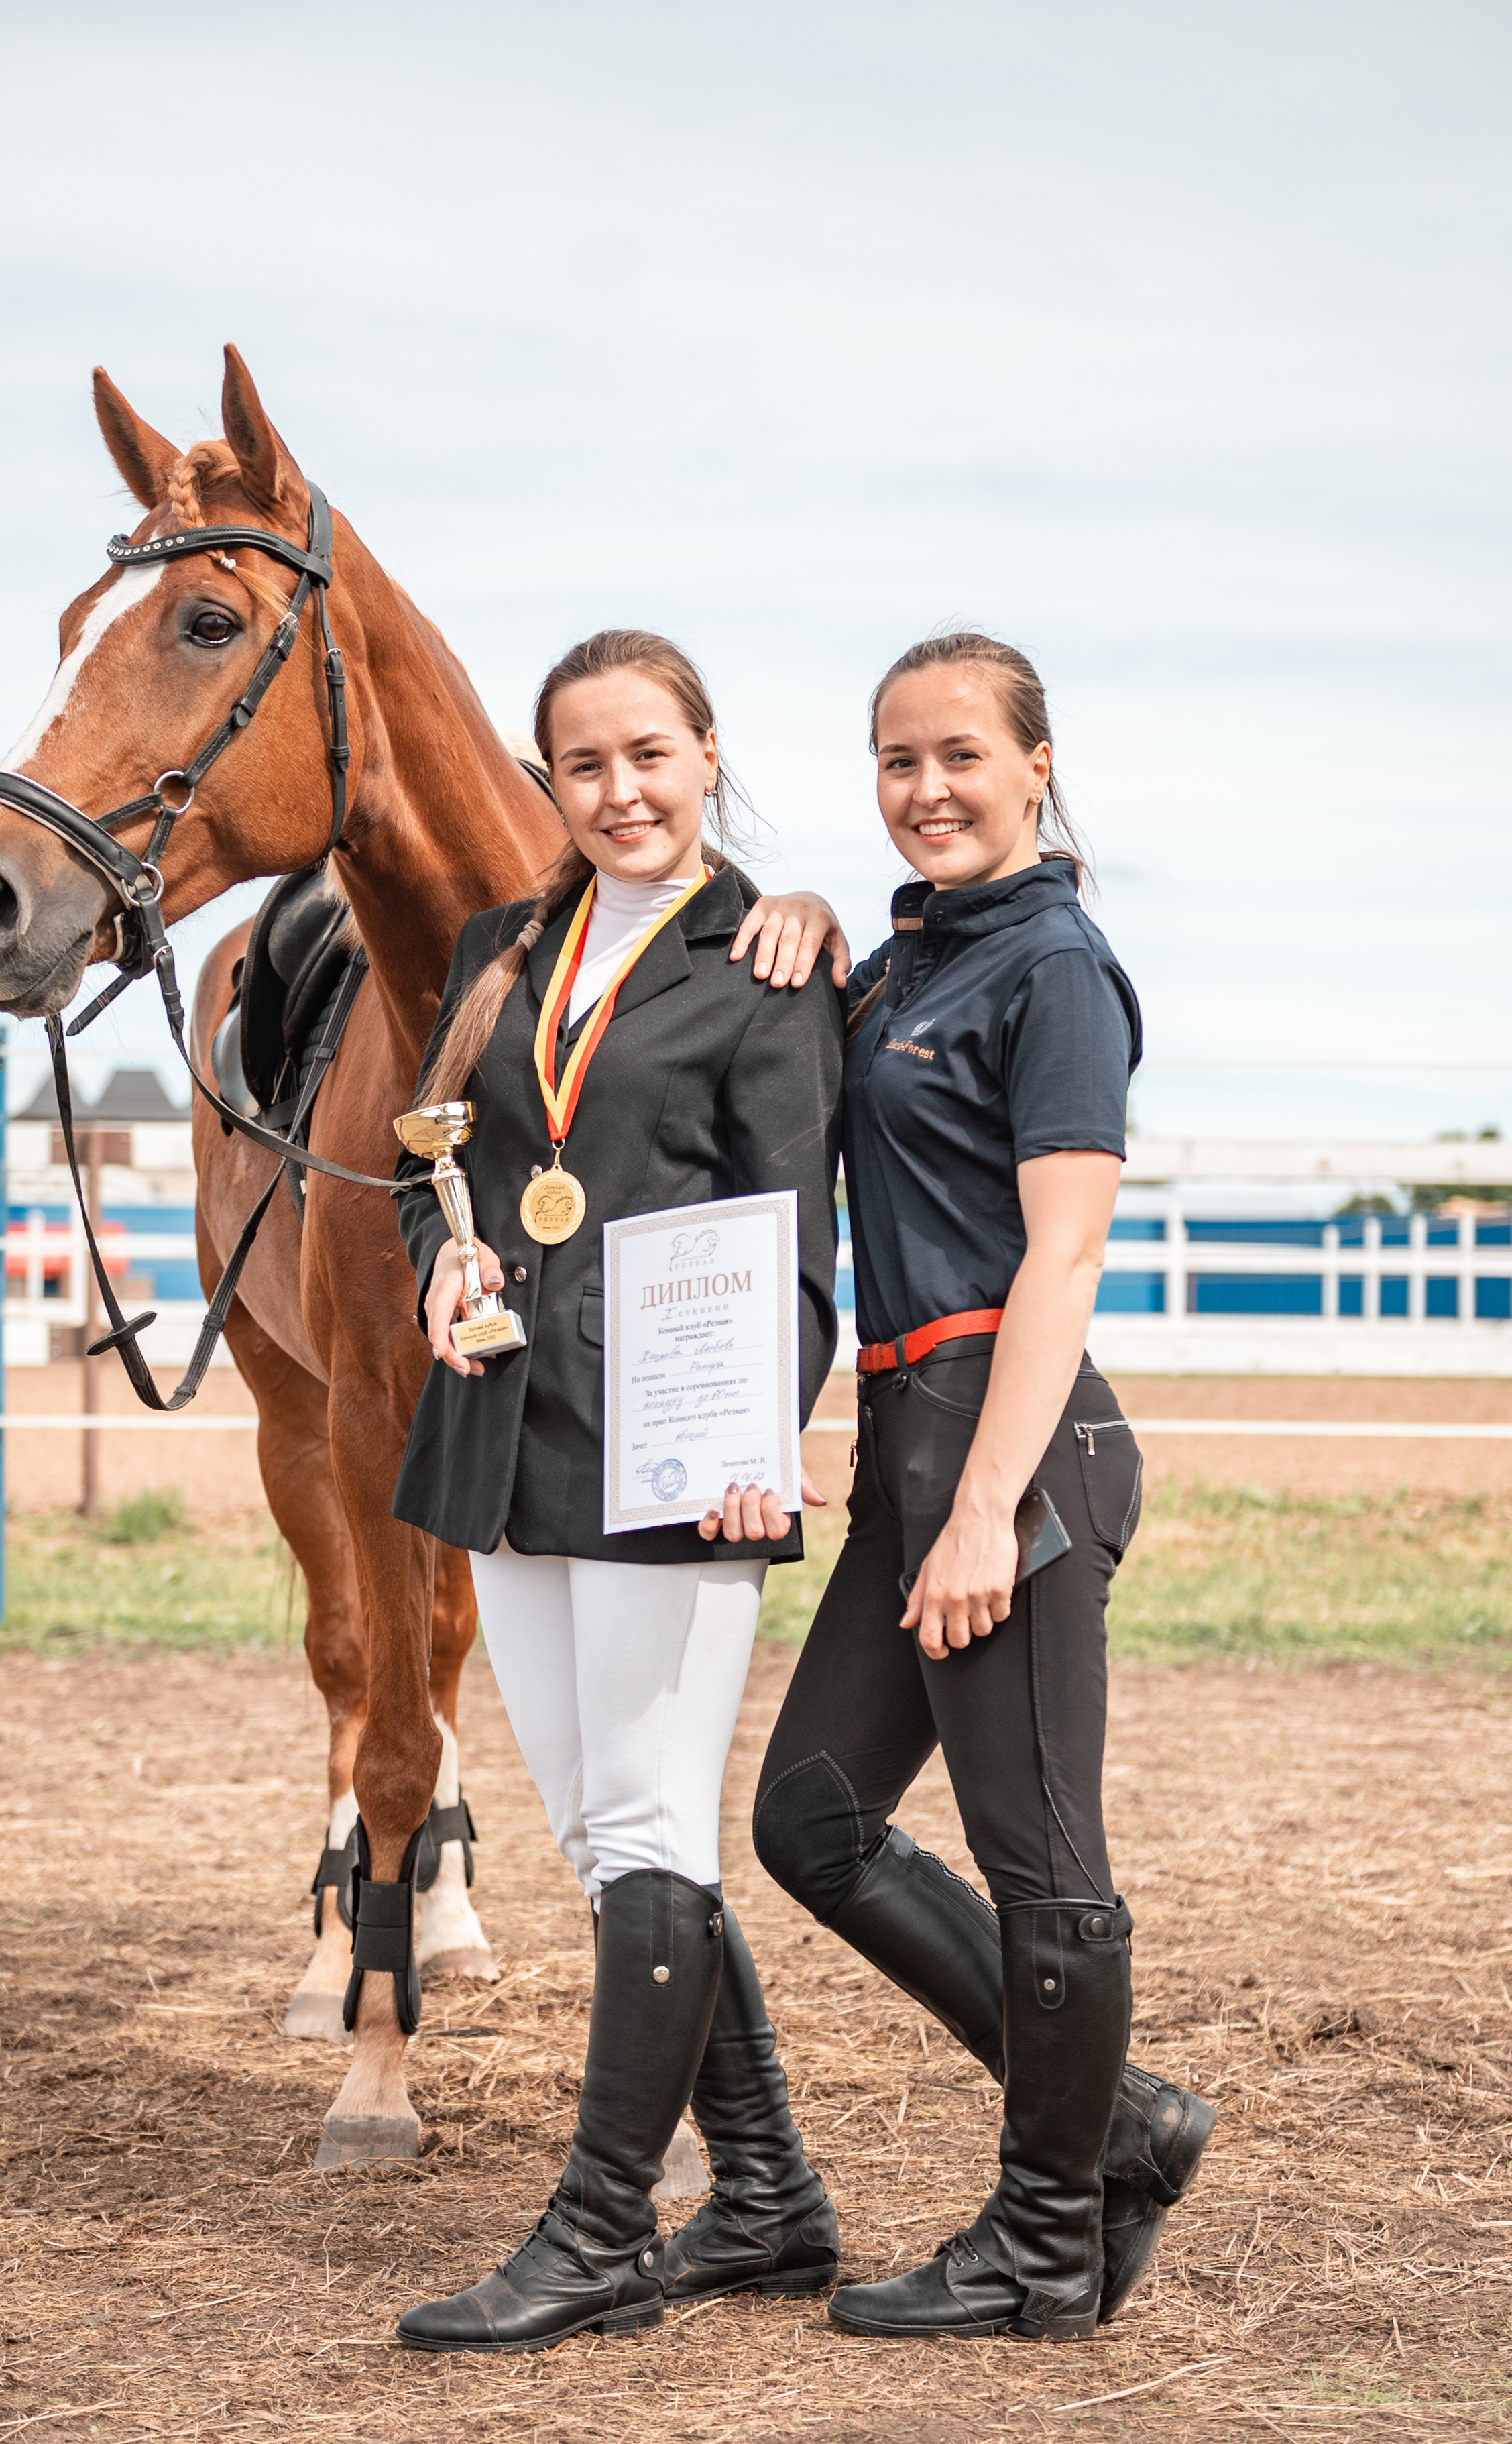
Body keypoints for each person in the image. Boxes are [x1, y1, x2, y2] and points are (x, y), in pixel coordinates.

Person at [752, 632, 1216, 2342]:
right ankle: (1128, 2124)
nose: (925, 788)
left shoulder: (1056, 972)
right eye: (894, 760)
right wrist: (800, 913)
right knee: (807, 1817)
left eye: (959, 754)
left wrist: (976, 1509)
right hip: (903, 1436)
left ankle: (1044, 2238)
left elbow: (1065, 1250)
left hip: (1010, 1442)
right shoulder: (908, 961)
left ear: (1035, 763)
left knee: (1042, 1863)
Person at [390, 630, 846, 2355]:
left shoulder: (769, 957)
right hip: (504, 1437)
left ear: (705, 754)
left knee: (649, 1831)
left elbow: (792, 1217)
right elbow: (430, 1166)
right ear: (546, 783)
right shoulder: (501, 948)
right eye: (581, 766)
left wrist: (758, 1439)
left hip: (676, 1452)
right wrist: (437, 1265)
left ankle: (597, 2229)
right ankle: (770, 2195)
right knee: (595, 1835)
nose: (619, 791)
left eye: (647, 755)